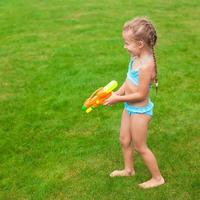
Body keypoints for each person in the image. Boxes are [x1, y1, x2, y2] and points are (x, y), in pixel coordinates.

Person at [104, 17, 165, 189]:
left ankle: (157, 178)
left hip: (139, 111)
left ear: (139, 44)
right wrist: (117, 93)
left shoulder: (146, 65)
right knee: (124, 140)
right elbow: (128, 81)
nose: (125, 47)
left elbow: (140, 94)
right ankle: (128, 169)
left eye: (127, 43)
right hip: (128, 107)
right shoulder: (134, 57)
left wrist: (118, 99)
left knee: (140, 146)